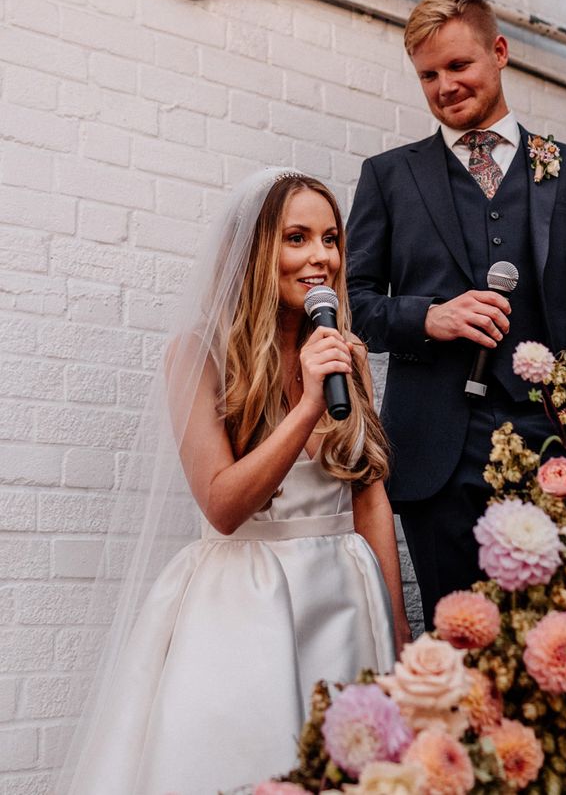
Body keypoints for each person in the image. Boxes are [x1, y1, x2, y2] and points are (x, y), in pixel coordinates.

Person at [59, 168, 411, 795]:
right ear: (253, 252)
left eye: (330, 238)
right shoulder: (198, 355)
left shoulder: (340, 351)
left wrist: (398, 626)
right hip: (249, 602)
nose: (321, 258)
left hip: (348, 600)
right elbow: (222, 504)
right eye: (296, 237)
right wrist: (306, 407)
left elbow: (369, 494)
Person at [346, 0, 566, 628]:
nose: (445, 86)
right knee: (459, 638)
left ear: (499, 52)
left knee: (556, 641)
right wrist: (428, 316)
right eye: (428, 75)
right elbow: (354, 304)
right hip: (437, 456)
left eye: (459, 66)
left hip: (555, 449)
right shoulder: (388, 177)